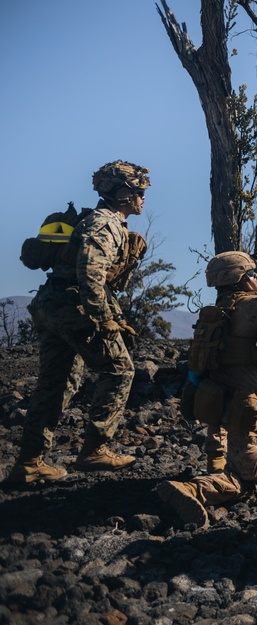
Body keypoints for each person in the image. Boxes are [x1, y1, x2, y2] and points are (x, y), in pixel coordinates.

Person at [6, 161, 151, 484]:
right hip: (76, 306)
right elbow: (91, 270)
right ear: (124, 194)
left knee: (57, 382)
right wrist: (103, 318)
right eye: (139, 191)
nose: (143, 197)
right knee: (120, 370)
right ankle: (95, 449)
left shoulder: (93, 219)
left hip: (51, 304)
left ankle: (29, 462)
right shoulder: (106, 223)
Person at [157, 251, 257, 529]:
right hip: (246, 404)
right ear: (241, 279)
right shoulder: (254, 306)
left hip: (219, 398)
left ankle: (216, 468)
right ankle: (193, 490)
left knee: (230, 444)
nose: (256, 279)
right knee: (246, 481)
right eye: (252, 274)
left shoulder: (218, 312)